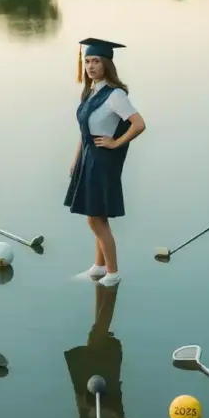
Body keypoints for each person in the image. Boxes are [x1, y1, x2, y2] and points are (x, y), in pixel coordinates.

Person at [64, 37, 147, 287]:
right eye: (87, 61)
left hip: (103, 161)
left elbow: (139, 124)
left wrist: (115, 142)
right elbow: (84, 131)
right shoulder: (90, 93)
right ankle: (99, 267)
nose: (90, 66)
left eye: (96, 61)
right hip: (88, 158)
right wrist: (76, 160)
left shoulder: (115, 95)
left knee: (94, 218)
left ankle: (113, 273)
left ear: (107, 64)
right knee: (98, 215)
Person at [64, 282, 141, 418]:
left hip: (87, 397)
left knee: (95, 339)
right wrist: (114, 416)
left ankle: (105, 289)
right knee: (96, 337)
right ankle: (109, 290)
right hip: (106, 394)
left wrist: (82, 407)